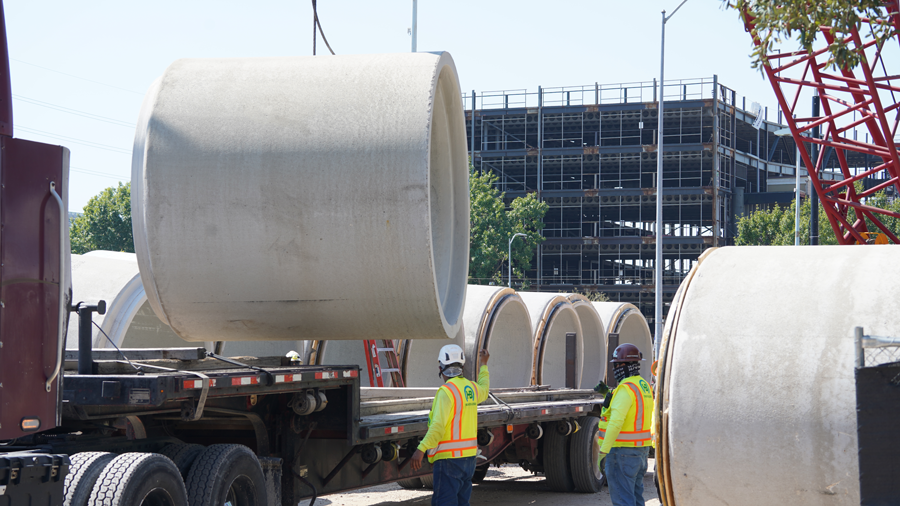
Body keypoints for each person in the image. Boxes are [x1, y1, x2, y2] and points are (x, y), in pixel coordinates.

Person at [411, 344, 490, 506]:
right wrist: (484, 365)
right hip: (469, 459)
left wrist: (421, 449)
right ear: (461, 366)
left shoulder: (446, 392)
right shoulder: (471, 388)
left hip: (449, 461)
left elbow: (438, 427)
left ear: (441, 367)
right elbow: (485, 390)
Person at [597, 343, 653, 506]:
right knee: (636, 499)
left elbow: (616, 423)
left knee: (623, 500)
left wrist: (603, 451)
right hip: (640, 451)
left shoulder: (625, 389)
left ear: (625, 366)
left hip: (622, 452)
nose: (615, 369)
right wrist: (608, 393)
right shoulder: (644, 386)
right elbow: (634, 413)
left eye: (617, 365)